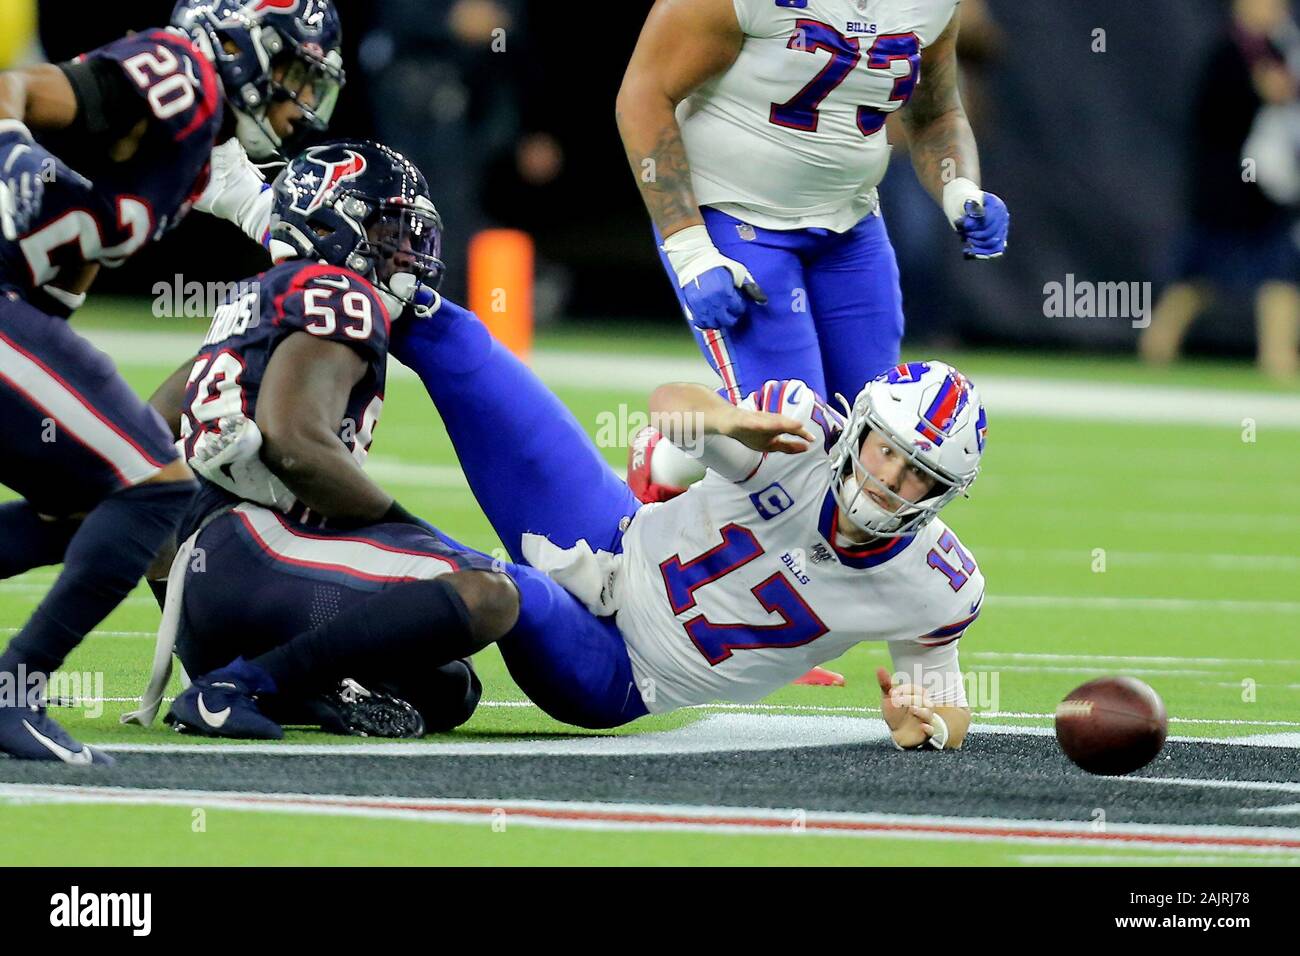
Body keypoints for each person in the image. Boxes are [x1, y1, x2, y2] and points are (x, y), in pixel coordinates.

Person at [178, 291, 988, 751]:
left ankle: (246, 681)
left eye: (919, 474)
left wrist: (929, 726)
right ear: (864, 430)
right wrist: (728, 421)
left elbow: (943, 704)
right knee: (457, 342)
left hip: (619, 668)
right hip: (613, 536)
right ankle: (295, 269)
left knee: (491, 592)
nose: (890, 478)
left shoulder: (932, 582)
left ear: (942, 494)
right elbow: (669, 412)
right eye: (886, 450)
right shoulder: (799, 433)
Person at [134, 141, 495, 738]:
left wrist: (173, 581)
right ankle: (239, 686)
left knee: (448, 686)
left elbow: (141, 444)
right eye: (389, 230)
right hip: (253, 556)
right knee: (487, 595)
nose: (405, 253)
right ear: (335, 223)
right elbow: (295, 441)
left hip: (213, 596)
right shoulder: (340, 293)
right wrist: (407, 530)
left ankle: (276, 683)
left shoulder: (259, 295)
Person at [615, 0, 1009, 503]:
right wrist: (691, 247)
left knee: (872, 436)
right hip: (735, 215)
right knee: (795, 442)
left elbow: (935, 110)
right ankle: (669, 463)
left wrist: (961, 192)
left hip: (850, 227)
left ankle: (680, 452)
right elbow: (644, 93)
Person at [0, 19, 225, 763]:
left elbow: (67, 273)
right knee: (156, 485)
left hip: (14, 310)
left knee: (90, 505)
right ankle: (13, 690)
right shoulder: (182, 72)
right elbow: (11, 86)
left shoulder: (189, 158)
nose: (301, 105)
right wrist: (9, 144)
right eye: (297, 75)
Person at [1138, 0, 1300, 380]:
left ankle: (1277, 354)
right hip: (1224, 192)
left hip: (1268, 191)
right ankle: (1157, 345)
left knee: (1281, 271)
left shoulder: (1281, 50)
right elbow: (1212, 118)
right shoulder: (1227, 52)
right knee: (1197, 277)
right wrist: (1256, 91)